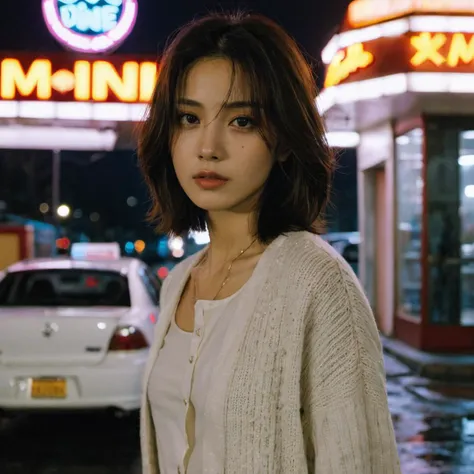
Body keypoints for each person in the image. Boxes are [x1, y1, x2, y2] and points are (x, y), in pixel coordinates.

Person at [137, 11, 401, 474]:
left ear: (282, 139)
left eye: (241, 121)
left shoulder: (318, 283)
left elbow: (361, 462)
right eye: (188, 117)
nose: (208, 146)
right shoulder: (179, 281)